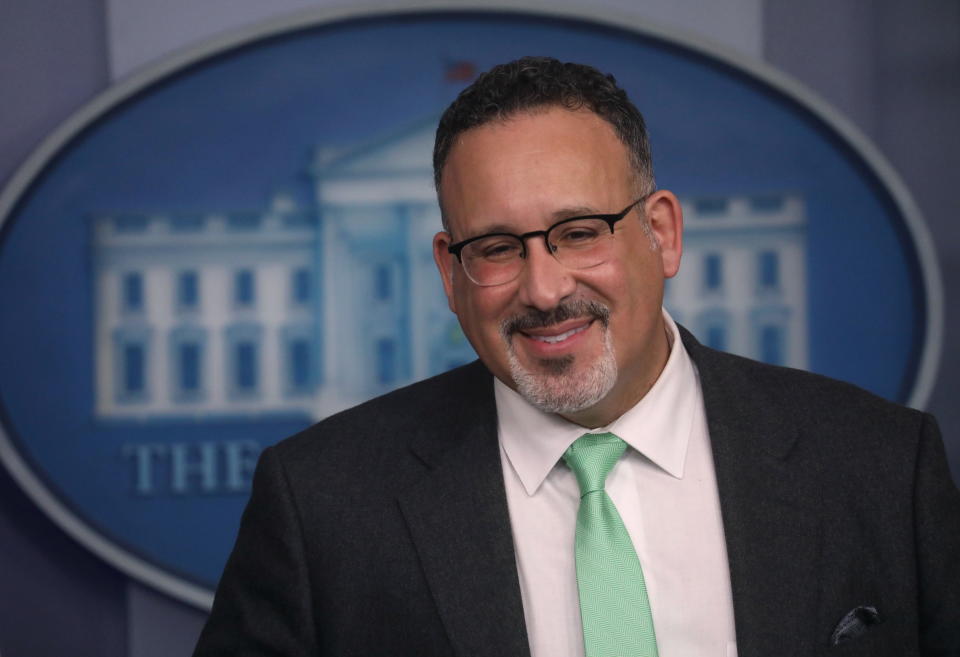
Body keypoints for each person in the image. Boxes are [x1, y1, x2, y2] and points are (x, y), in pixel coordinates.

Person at [193, 57, 960, 657]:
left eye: (581, 231)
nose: (544, 287)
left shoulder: (882, 467)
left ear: (660, 233)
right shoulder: (321, 503)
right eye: (496, 248)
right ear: (449, 271)